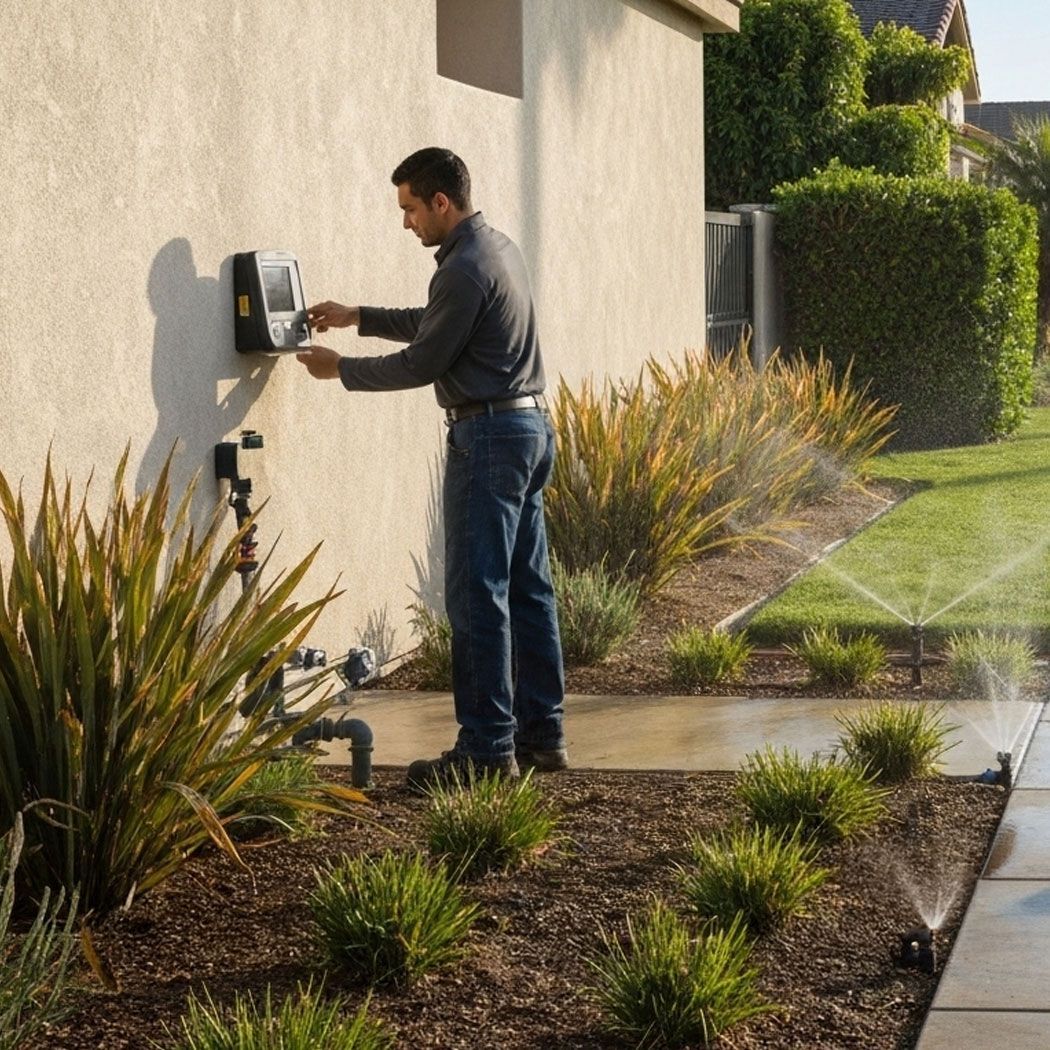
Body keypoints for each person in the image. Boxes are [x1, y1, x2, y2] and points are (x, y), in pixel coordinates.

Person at [296, 147, 567, 791]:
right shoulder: (493, 249)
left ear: (441, 202)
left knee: (478, 596)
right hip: (528, 428)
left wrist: (342, 369)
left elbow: (424, 362)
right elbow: (439, 327)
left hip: (490, 436)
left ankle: (484, 751)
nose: (407, 221)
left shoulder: (465, 267)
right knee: (528, 590)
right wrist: (360, 316)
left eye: (411, 208)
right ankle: (541, 736)